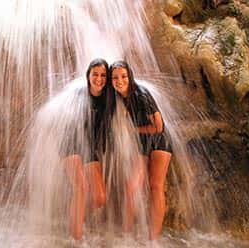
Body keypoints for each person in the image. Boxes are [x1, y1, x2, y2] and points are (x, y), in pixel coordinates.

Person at [109, 60, 172, 240]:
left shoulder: (142, 95)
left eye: (123, 77)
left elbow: (159, 127)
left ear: (130, 77)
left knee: (155, 186)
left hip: (160, 141)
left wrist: (132, 130)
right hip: (142, 142)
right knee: (131, 187)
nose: (119, 81)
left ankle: (153, 239)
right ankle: (126, 235)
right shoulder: (119, 96)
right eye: (115, 78)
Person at [62, 58, 114, 240]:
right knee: (81, 188)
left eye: (102, 75)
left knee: (99, 198)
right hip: (71, 143)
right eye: (95, 74)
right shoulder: (78, 94)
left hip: (90, 147)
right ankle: (75, 240)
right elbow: (67, 123)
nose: (99, 79)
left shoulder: (109, 99)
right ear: (88, 75)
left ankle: (74, 218)